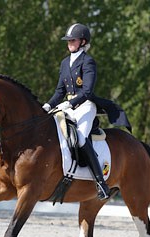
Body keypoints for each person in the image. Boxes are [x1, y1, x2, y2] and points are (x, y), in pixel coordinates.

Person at [42, 23, 112, 200]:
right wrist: (48, 106)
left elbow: (87, 91)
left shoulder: (88, 61)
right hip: (68, 105)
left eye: (72, 40)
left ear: (82, 42)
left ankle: (101, 184)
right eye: (68, 40)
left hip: (85, 106)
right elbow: (60, 91)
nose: (69, 43)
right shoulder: (65, 62)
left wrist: (70, 103)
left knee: (80, 138)